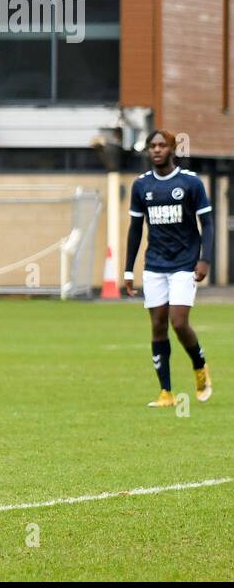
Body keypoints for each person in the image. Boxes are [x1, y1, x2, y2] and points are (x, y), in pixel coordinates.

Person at [123, 129, 214, 406]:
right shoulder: (141, 186)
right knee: (158, 325)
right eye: (153, 146)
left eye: (162, 145)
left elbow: (207, 225)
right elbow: (135, 229)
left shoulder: (190, 183)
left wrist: (204, 259)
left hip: (184, 264)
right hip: (154, 265)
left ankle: (199, 366)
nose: (157, 150)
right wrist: (129, 270)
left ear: (172, 149)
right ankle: (166, 393)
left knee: (178, 322)